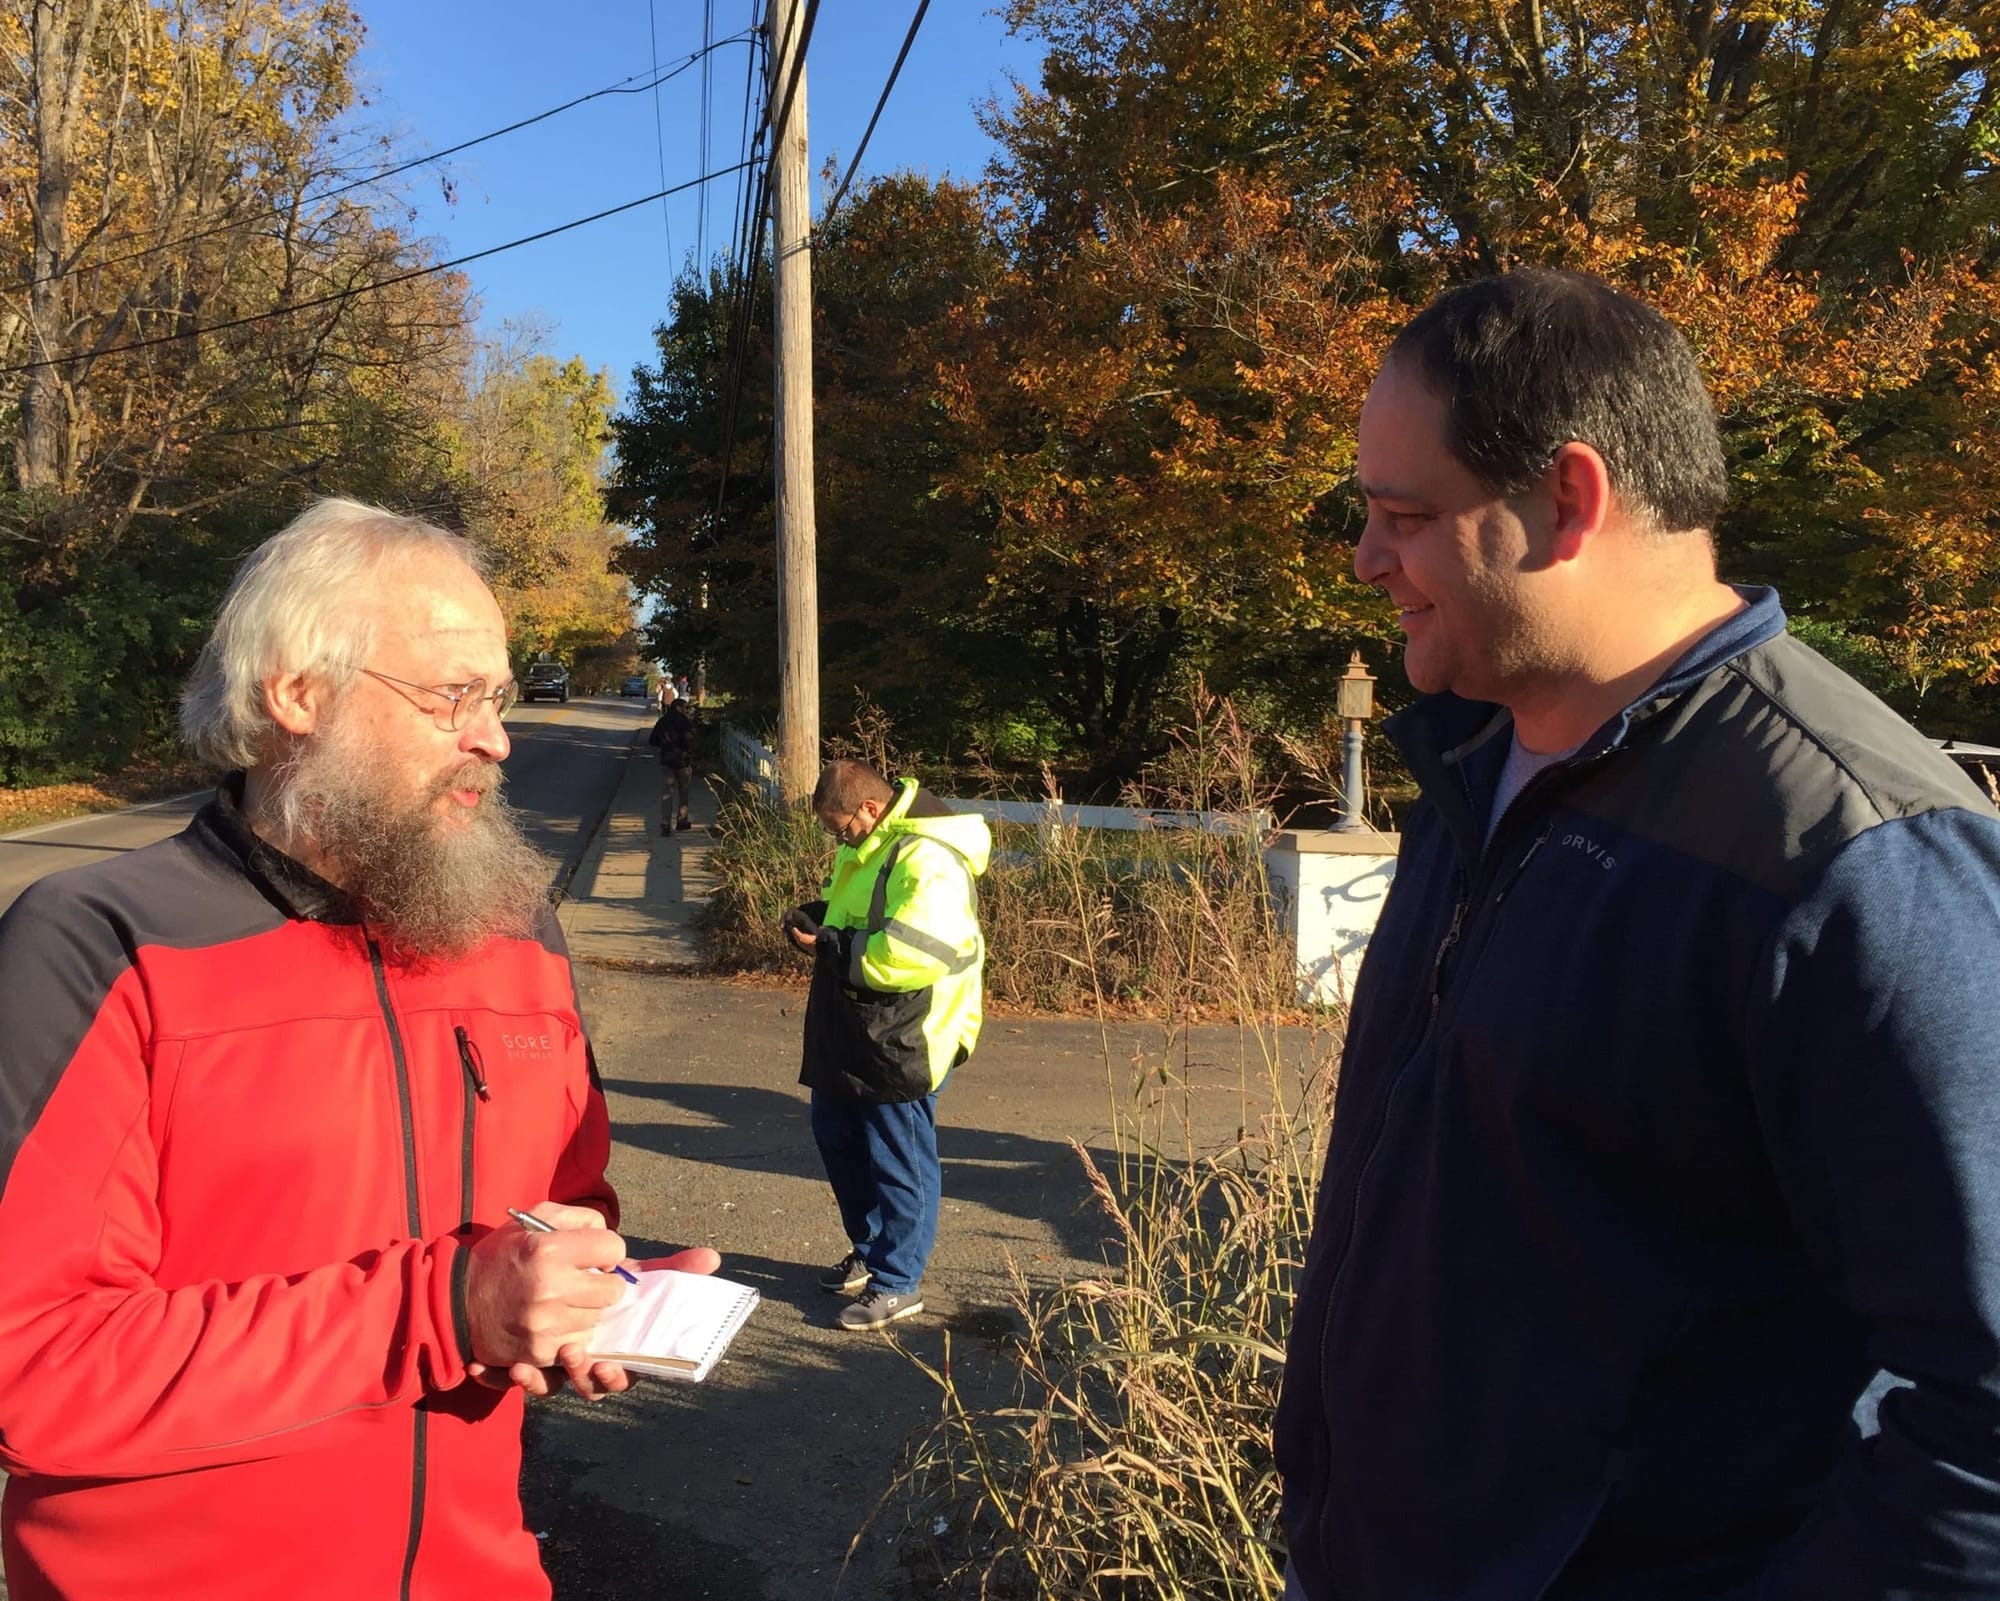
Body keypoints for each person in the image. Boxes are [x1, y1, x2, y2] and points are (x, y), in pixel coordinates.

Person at [1273, 270, 2000, 1599]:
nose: (1366, 558)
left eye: (1405, 516)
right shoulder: (1474, 763)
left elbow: (1983, 1423)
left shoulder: (1853, 853)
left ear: (1569, 499)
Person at [0, 497, 718, 1601]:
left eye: (497, 698)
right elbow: (32, 1364)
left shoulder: (514, 929)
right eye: (452, 696)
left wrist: (583, 1293)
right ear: (296, 695)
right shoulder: (102, 943)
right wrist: (447, 1306)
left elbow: (567, 1199)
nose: (496, 738)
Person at [782, 760, 989, 1329]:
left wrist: (831, 945)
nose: (838, 839)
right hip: (860, 1023)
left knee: (900, 1156)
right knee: (835, 1131)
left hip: (910, 1031)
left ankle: (898, 1281)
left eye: (840, 828)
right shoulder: (871, 844)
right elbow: (855, 916)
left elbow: (911, 956)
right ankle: (873, 1250)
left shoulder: (928, 858)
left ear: (870, 809)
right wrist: (819, 921)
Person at [648, 684, 697, 834]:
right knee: (684, 791)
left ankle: (665, 823)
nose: (687, 711)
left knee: (667, 793)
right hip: (683, 761)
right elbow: (689, 739)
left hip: (667, 760)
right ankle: (682, 821)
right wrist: (688, 751)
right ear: (679, 708)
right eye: (685, 708)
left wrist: (665, 745)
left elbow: (652, 740)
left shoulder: (663, 721)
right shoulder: (685, 722)